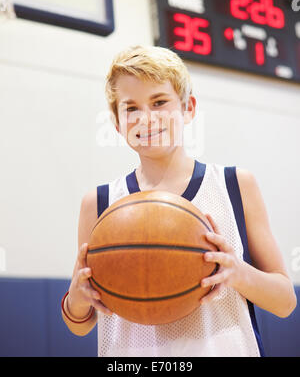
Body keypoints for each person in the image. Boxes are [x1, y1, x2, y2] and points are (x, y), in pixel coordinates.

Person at [61, 45, 296, 357]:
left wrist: (238, 272)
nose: (146, 118)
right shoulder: (99, 203)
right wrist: (77, 298)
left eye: (159, 102)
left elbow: (285, 303)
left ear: (188, 108)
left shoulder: (235, 185)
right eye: (131, 108)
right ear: (116, 123)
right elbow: (80, 323)